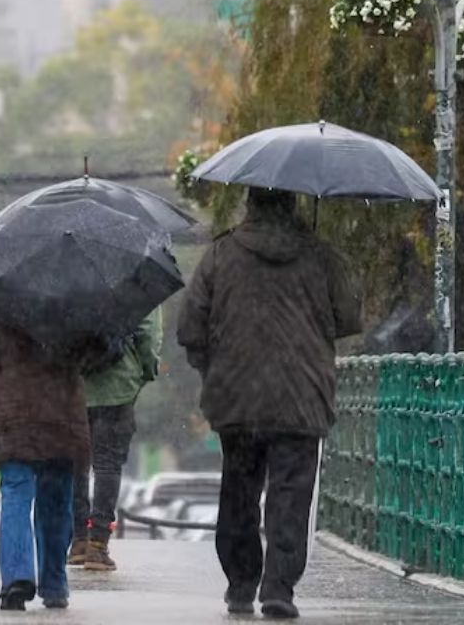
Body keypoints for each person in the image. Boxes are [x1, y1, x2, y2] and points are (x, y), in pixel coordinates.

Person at [177, 188, 361, 619]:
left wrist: (214, 368)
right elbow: (349, 318)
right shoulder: (321, 255)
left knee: (239, 489)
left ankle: (241, 582)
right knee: (291, 494)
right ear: (294, 204)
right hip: (302, 396)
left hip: (238, 396)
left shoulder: (221, 255)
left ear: (251, 203)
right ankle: (279, 587)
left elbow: (190, 326)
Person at [0, 316, 100, 612]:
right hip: (61, 408)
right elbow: (100, 348)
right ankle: (54, 584)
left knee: (15, 492)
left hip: (12, 409)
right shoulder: (79, 295)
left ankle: (16, 578)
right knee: (56, 497)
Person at [68, 309, 162, 571]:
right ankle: (97, 543)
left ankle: (78, 540)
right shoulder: (140, 279)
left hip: (76, 386)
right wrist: (145, 370)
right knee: (108, 465)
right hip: (119, 385)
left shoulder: (71, 276)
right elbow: (149, 335)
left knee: (77, 465)